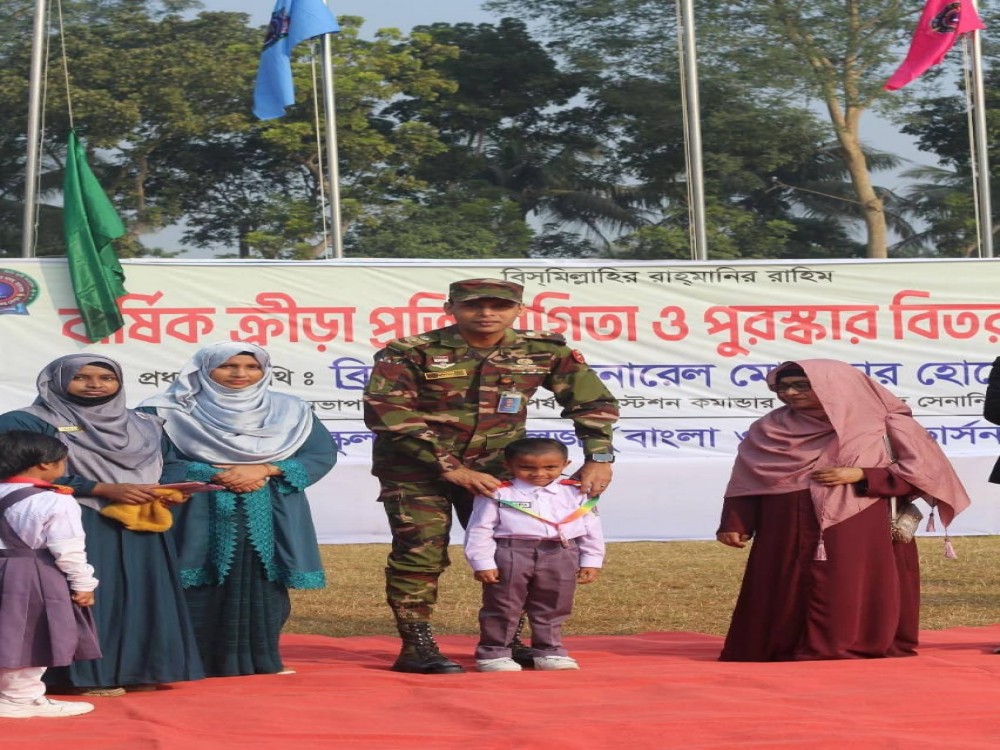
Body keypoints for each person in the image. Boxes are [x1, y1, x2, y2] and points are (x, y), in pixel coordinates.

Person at [364, 278, 619, 674]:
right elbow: (388, 414)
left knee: (515, 552)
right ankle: (416, 645)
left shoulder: (543, 350)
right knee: (419, 554)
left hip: (498, 473)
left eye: (499, 306)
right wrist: (452, 468)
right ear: (450, 308)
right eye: (473, 305)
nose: (486, 313)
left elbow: (593, 402)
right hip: (416, 471)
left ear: (519, 310)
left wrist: (599, 457)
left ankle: (505, 641)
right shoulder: (411, 352)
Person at [716, 359, 971, 661]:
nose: (790, 393)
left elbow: (926, 474)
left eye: (802, 386)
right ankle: (782, 646)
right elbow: (747, 478)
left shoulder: (884, 424)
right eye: (783, 387)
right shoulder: (768, 428)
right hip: (782, 525)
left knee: (847, 584)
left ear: (834, 386)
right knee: (781, 584)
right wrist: (736, 521)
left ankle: (849, 644)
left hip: (858, 523)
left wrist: (864, 474)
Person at [0, 355, 203, 696]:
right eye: (82, 377)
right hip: (79, 518)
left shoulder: (145, 423)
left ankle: (141, 670)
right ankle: (83, 677)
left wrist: (166, 488)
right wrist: (100, 488)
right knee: (87, 594)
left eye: (106, 377)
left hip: (142, 520)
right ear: (56, 380)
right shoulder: (27, 421)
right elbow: (14, 468)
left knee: (143, 595)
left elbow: (171, 462)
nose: (95, 384)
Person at [140, 342, 337, 677]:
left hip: (271, 506)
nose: (240, 374)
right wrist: (211, 473)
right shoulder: (165, 409)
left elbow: (320, 454)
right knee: (195, 580)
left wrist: (265, 469)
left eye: (251, 367)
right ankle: (189, 660)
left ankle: (262, 659)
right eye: (227, 366)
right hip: (195, 508)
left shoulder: (290, 409)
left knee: (264, 580)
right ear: (203, 369)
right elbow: (150, 458)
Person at [464, 437, 604, 672]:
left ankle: (549, 651)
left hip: (561, 552)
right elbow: (479, 529)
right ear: (508, 465)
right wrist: (482, 563)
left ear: (565, 464)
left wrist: (592, 560)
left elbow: (591, 528)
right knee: (503, 604)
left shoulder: (576, 491)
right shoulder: (497, 492)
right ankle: (494, 653)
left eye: (550, 467)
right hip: (512, 552)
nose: (539, 474)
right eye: (527, 467)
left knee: (554, 604)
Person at [0, 431, 101, 719]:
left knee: (6, 632)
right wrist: (83, 583)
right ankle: (20, 699)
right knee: (30, 634)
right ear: (45, 463)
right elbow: (68, 549)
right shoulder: (55, 501)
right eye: (63, 461)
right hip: (30, 573)